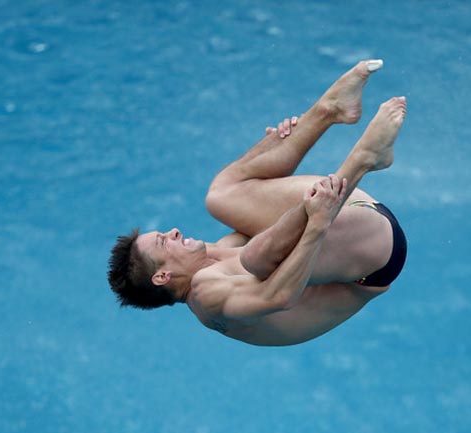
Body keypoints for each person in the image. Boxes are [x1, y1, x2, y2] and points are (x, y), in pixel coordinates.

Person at [108, 59, 407, 346]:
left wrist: (272, 147)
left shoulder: (216, 254)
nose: (173, 231)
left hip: (351, 218)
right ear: (162, 276)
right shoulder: (205, 296)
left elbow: (269, 217)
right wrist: (317, 223)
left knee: (220, 197)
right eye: (164, 241)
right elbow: (279, 297)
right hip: (374, 256)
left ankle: (328, 109)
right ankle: (362, 160)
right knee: (254, 258)